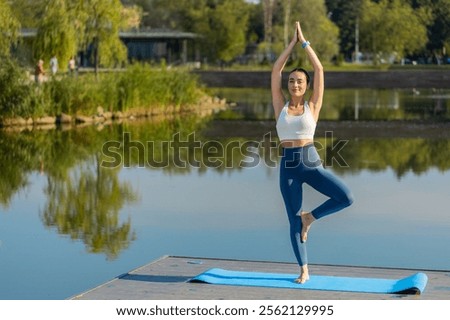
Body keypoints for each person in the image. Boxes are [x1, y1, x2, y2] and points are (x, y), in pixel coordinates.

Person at [271, 21, 354, 284]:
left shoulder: (313, 106)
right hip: (289, 167)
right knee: (292, 221)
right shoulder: (280, 106)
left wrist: (304, 42)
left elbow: (319, 68)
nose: (295, 84)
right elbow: (275, 71)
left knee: (346, 197)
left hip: (310, 162)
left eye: (300, 81)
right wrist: (290, 45)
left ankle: (311, 217)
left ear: (306, 86)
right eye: (292, 81)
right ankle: (304, 269)